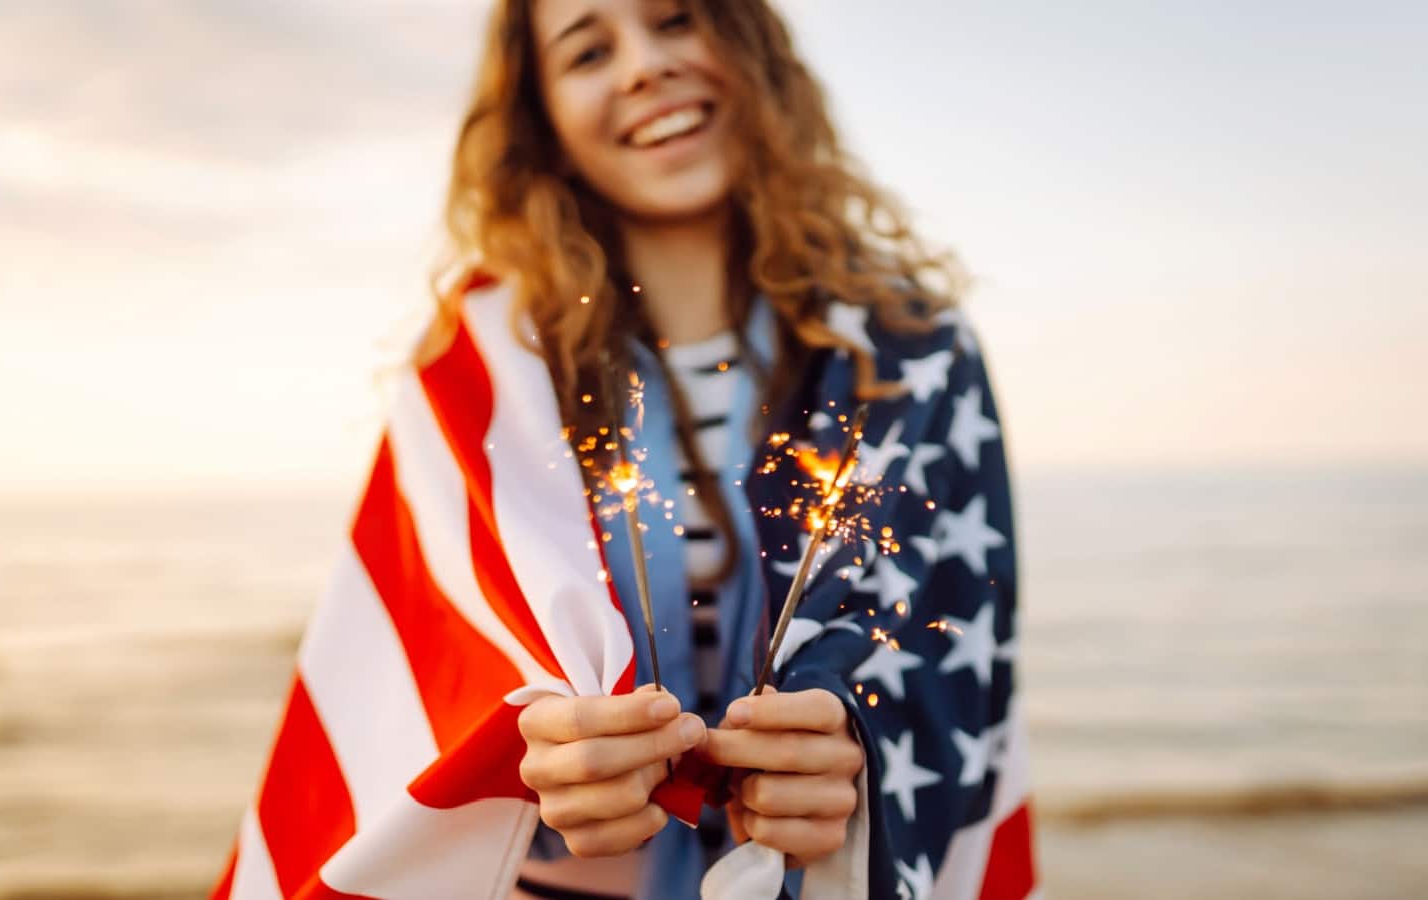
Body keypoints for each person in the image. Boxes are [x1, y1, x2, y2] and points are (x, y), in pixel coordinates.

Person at [213, 1, 1035, 898]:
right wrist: (534, 747)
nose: (643, 67)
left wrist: (852, 751)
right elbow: (416, 679)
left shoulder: (910, 352)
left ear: (749, 47)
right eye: (589, 50)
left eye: (676, 19)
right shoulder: (480, 372)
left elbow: (958, 650)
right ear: (545, 120)